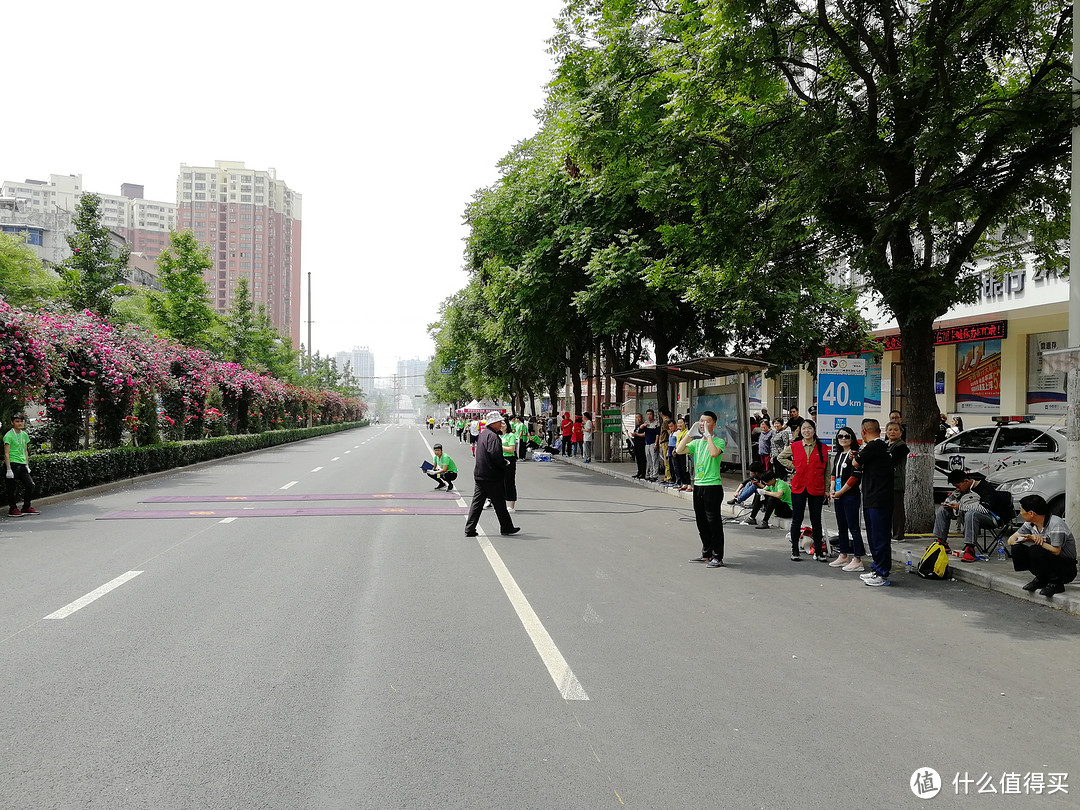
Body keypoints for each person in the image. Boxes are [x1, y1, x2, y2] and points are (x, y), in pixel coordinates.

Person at [675, 410, 727, 568]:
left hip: (712, 486)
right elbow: (679, 450)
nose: (703, 424)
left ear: (714, 424)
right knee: (701, 522)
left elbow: (713, 453)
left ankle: (718, 556)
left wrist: (709, 436)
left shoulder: (719, 441)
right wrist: (689, 435)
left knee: (714, 523)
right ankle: (707, 553)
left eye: (707, 421)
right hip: (698, 486)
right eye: (701, 421)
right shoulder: (696, 443)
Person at [778, 419, 829, 562]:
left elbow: (827, 470)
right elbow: (780, 457)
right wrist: (794, 466)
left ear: (814, 430)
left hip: (816, 487)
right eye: (804, 428)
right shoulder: (795, 446)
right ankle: (795, 549)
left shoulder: (823, 448)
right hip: (799, 486)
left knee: (816, 520)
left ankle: (818, 551)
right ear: (800, 431)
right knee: (797, 519)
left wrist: (827, 489)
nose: (807, 431)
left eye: (809, 428)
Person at [1007, 494, 1077, 597]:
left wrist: (1038, 541)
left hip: (1065, 567)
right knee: (1017, 548)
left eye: (1021, 510)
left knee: (1035, 550)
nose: (1020, 513)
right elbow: (1010, 540)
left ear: (1031, 513)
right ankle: (1042, 578)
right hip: (1050, 560)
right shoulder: (1030, 523)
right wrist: (1028, 537)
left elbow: (1056, 551)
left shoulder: (1055, 524)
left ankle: (1056, 582)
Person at [852, 419, 894, 587]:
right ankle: (877, 568)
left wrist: (857, 457)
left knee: (880, 537)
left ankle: (882, 573)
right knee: (872, 536)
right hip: (872, 497)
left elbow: (855, 463)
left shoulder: (875, 446)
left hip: (879, 499)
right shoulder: (878, 448)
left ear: (863, 431)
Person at [933, 470, 1009, 561]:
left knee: (971, 514)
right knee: (943, 510)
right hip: (966, 514)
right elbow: (952, 498)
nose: (957, 489)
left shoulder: (985, 488)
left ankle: (970, 548)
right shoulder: (963, 489)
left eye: (958, 486)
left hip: (992, 517)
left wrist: (960, 506)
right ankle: (941, 542)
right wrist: (948, 504)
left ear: (966, 481)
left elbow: (984, 509)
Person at [464, 412, 519, 537]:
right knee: (499, 503)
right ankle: (506, 527)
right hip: (491, 475)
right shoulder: (493, 437)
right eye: (499, 422)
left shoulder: (484, 434)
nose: (501, 424)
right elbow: (495, 455)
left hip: (480, 473)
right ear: (494, 423)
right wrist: (503, 465)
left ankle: (470, 528)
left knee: (477, 503)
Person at [828, 427, 866, 572]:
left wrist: (841, 491)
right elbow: (834, 473)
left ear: (852, 438)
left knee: (853, 527)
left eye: (847, 436)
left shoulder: (855, 454)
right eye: (840, 436)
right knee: (841, 526)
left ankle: (858, 558)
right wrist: (832, 489)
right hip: (838, 494)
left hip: (850, 495)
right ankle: (844, 555)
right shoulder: (838, 454)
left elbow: (855, 476)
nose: (843, 438)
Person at [4, 414, 38, 517]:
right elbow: (6, 453)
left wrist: (27, 465)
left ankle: (26, 507)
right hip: (13, 464)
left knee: (30, 485)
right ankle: (13, 509)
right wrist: (8, 469)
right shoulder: (8, 435)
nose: (20, 423)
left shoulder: (24, 435)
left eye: (21, 421)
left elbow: (25, 450)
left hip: (22, 464)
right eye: (17, 421)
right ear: (12, 423)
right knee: (12, 488)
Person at [886, 420, 908, 542]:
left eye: (895, 430)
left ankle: (898, 535)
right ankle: (889, 533)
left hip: (896, 483)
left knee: (897, 510)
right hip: (886, 483)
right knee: (888, 510)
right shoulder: (885, 444)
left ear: (901, 433)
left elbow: (889, 460)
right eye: (890, 429)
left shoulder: (902, 446)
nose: (892, 432)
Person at [500, 417, 519, 512]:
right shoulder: (500, 436)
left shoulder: (511, 435)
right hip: (500, 459)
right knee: (500, 482)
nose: (501, 425)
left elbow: (511, 449)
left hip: (509, 460)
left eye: (503, 423)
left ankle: (511, 505)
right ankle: (501, 504)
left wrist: (500, 446)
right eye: (500, 423)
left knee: (509, 482)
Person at [672, 416, 692, 491]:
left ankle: (689, 484)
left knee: (685, 468)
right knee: (679, 468)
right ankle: (684, 483)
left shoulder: (687, 432)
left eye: (681, 423)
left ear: (685, 423)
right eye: (678, 423)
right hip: (678, 452)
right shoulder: (678, 433)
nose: (679, 424)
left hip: (685, 452)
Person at [643, 409, 661, 481]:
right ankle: (650, 474)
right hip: (647, 443)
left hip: (653, 443)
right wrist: (643, 425)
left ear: (653, 415)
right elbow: (641, 431)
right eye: (647, 414)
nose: (649, 416)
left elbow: (657, 434)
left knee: (654, 459)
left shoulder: (656, 423)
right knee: (649, 459)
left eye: (650, 414)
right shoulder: (646, 423)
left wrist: (656, 443)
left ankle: (655, 475)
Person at [629, 413, 647, 478]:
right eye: (636, 418)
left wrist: (636, 435)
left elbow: (644, 434)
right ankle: (639, 472)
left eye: (639, 417)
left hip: (642, 444)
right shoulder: (637, 426)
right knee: (638, 458)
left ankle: (643, 473)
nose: (638, 419)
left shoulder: (643, 426)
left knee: (642, 459)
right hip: (636, 443)